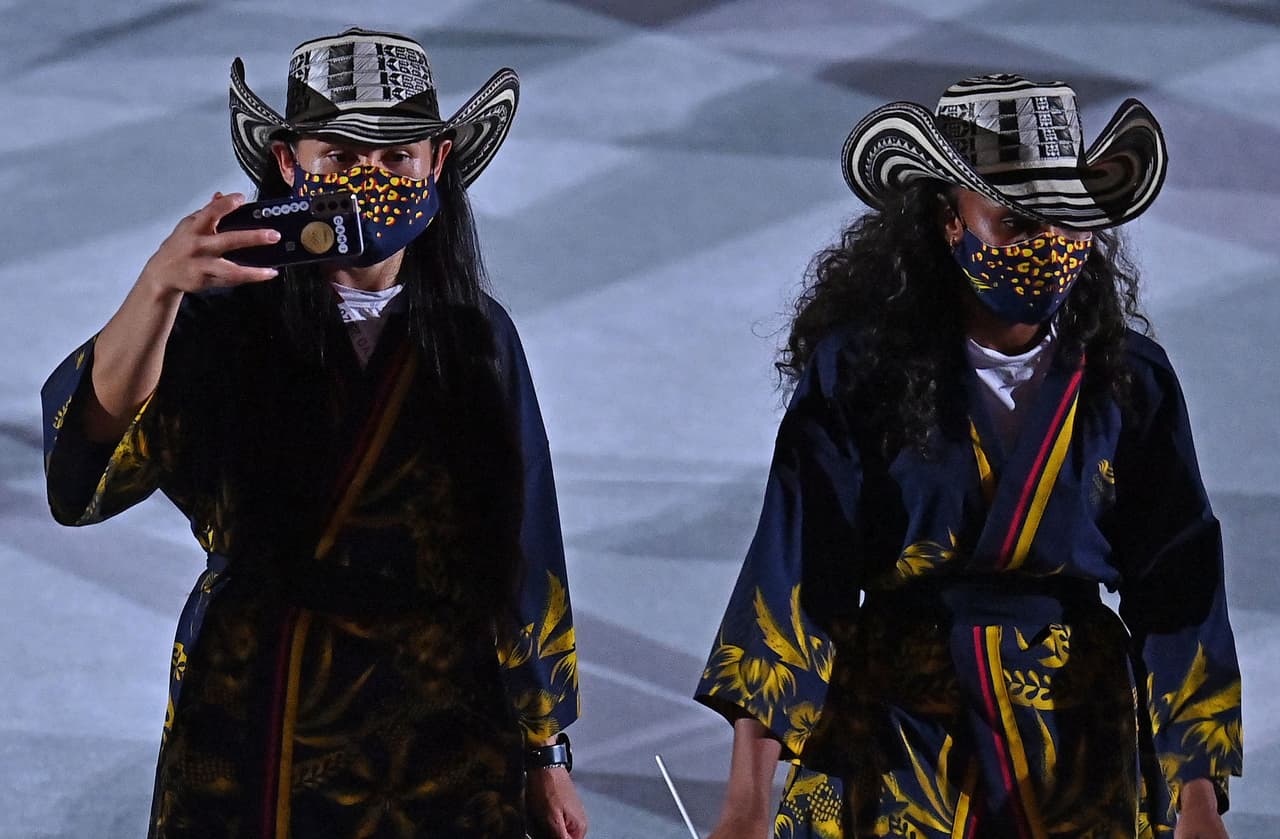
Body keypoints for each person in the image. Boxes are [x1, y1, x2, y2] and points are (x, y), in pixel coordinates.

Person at [41, 27, 587, 839]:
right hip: (259, 698)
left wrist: (546, 753)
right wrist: (157, 289)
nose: (371, 176)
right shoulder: (220, 317)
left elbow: (523, 547)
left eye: (397, 157)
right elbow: (86, 475)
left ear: (437, 163)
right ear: (290, 165)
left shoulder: (477, 339)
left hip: (439, 723)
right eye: (339, 155)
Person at [695, 74, 1242, 839]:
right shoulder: (859, 373)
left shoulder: (1132, 382)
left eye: (1068, 220)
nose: (1049, 246)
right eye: (1018, 221)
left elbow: (1181, 595)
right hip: (896, 742)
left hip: (1077, 749)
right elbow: (795, 579)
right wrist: (745, 804)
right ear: (950, 219)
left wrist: (1197, 801)